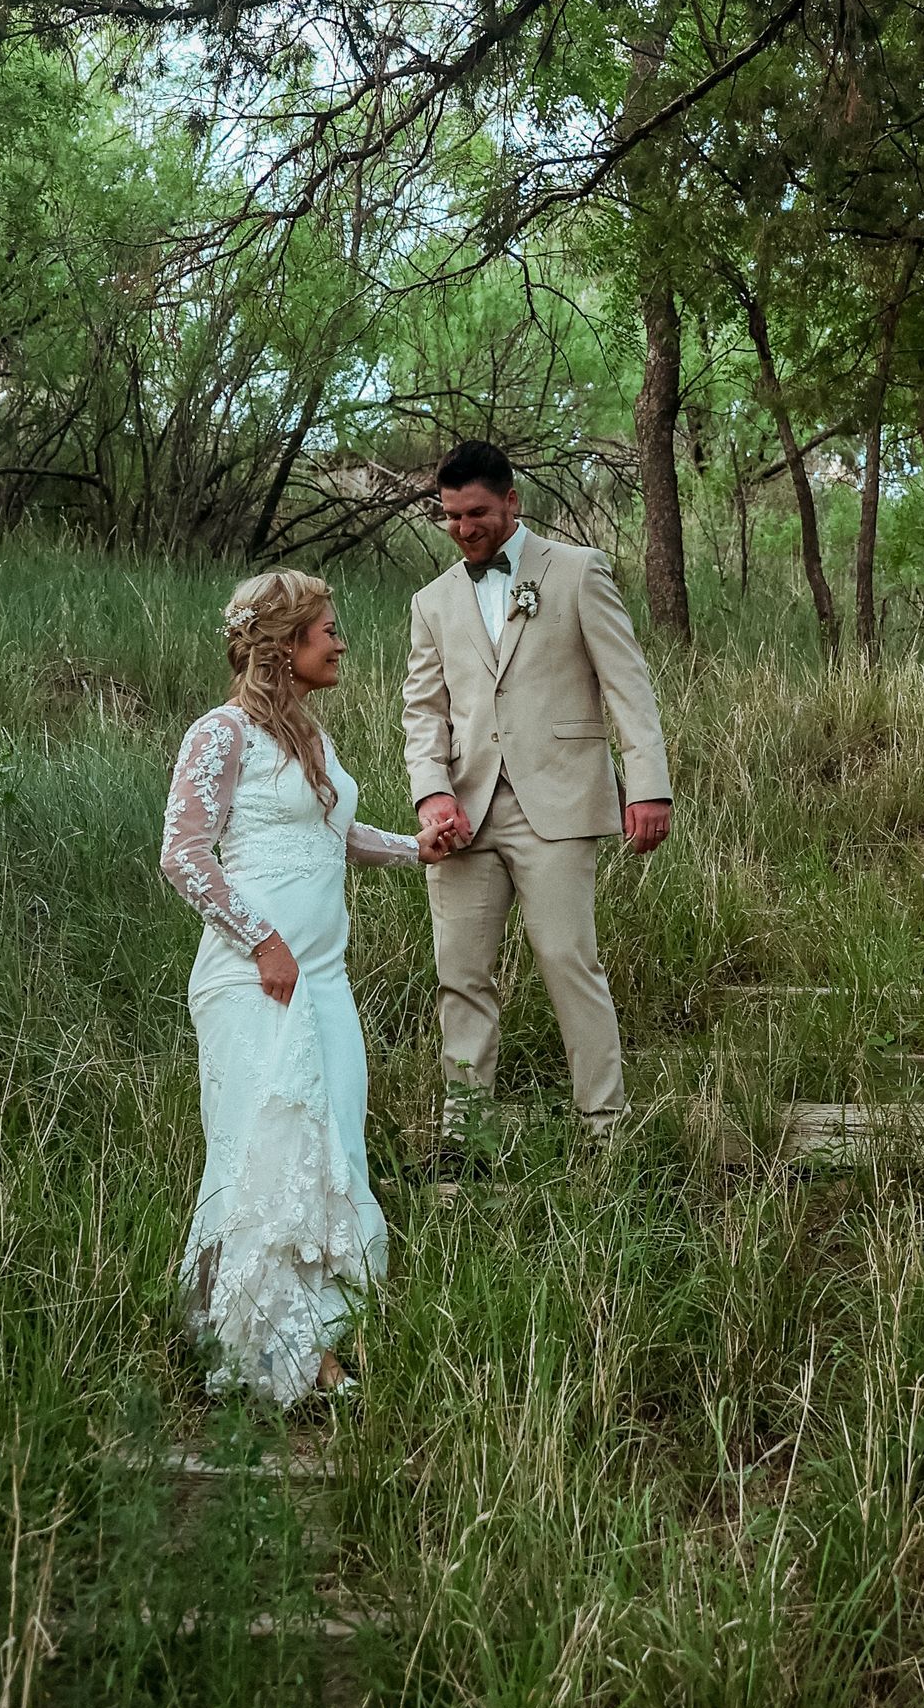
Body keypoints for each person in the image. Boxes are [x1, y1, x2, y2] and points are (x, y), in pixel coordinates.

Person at [159, 570, 447, 1404]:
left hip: (324, 980)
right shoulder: (220, 735)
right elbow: (183, 855)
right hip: (256, 981)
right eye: (327, 630)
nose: (342, 642)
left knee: (333, 1153)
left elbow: (333, 832)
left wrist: (412, 848)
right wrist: (265, 940)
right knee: (268, 1158)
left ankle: (322, 1331)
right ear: (283, 648)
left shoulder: (309, 736)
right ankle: (272, 1354)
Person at [403, 440, 673, 1149]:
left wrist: (648, 786)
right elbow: (423, 712)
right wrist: (431, 795)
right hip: (466, 814)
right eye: (452, 516)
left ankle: (604, 1133)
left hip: (557, 802)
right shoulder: (431, 602)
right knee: (460, 974)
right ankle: (469, 1138)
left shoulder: (578, 571)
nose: (465, 528)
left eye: (479, 512)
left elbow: (629, 686)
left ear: (512, 502)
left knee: (566, 960)